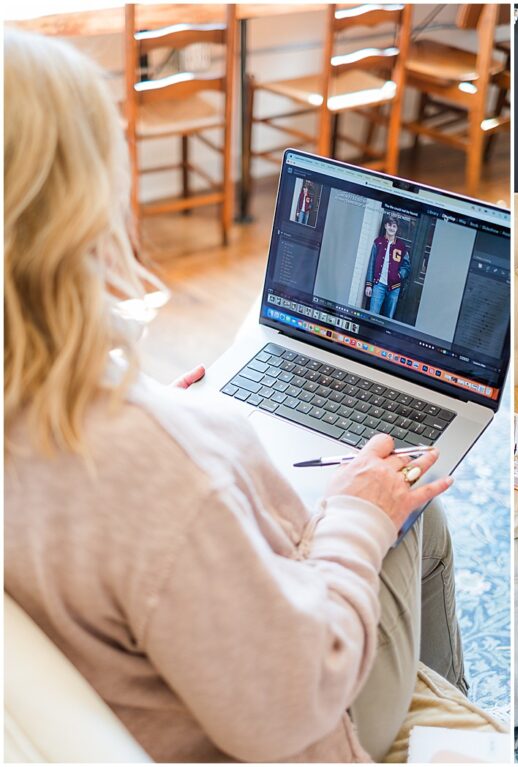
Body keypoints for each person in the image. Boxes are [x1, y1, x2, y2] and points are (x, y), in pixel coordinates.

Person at [4, 30, 466, 763]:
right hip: (310, 718)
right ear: (80, 206)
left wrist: (163, 411)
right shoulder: (155, 464)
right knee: (415, 501)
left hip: (140, 689)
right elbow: (297, 697)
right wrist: (355, 515)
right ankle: (445, 729)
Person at [364, 216, 410, 319]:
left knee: (388, 318)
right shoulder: (378, 242)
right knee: (373, 315)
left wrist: (399, 275)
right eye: (389, 225)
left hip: (394, 288)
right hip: (378, 285)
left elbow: (406, 266)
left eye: (394, 226)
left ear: (397, 229)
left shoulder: (401, 246)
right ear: (385, 226)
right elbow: (371, 264)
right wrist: (369, 284)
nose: (391, 228)